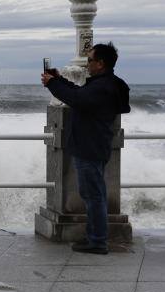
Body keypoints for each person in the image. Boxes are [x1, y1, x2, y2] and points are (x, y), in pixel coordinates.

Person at [41, 42, 130, 254]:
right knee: (93, 194)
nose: (87, 64)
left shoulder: (102, 87)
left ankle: (98, 241)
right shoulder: (105, 84)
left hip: (89, 147)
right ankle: (94, 237)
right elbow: (79, 93)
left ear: (100, 63)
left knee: (94, 196)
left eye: (90, 60)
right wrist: (58, 80)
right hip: (94, 146)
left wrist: (52, 84)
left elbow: (76, 99)